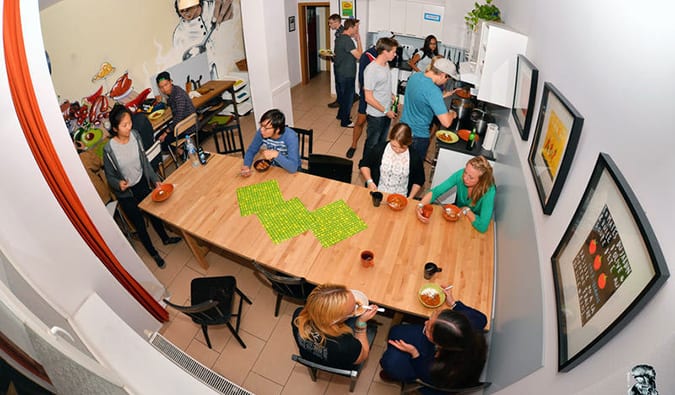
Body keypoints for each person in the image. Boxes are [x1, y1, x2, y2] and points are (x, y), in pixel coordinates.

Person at [103, 104, 182, 268]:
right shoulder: (109, 149)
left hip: (142, 183)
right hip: (127, 193)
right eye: (124, 125)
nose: (129, 127)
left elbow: (144, 160)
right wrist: (118, 183)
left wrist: (154, 178)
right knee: (139, 224)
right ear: (115, 128)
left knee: (153, 213)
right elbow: (109, 176)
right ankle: (153, 253)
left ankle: (165, 238)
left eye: (130, 122)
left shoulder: (135, 136)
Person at [379, 287, 487, 393]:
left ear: (440, 344)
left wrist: (415, 353)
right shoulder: (471, 324)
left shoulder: (445, 370)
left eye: (429, 330)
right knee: (396, 331)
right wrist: (454, 303)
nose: (425, 323)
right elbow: (482, 318)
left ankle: (396, 375)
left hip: (427, 370)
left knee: (390, 361)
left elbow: (425, 374)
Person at [292, 284, 379, 370]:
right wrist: (361, 323)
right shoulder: (345, 345)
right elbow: (363, 356)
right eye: (352, 310)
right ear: (335, 320)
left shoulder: (298, 316)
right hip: (336, 364)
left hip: (309, 357)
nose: (354, 311)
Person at [400, 57, 461, 160]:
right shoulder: (434, 91)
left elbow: (422, 96)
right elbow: (446, 123)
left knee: (402, 163)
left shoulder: (416, 77)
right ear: (442, 74)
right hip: (418, 136)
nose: (446, 81)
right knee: (415, 168)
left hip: (403, 129)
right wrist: (452, 114)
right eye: (447, 78)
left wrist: (441, 96)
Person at [416, 156, 495, 233]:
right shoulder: (461, 174)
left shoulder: (489, 192)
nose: (465, 178)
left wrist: (467, 211)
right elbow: (436, 192)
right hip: (458, 215)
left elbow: (482, 226)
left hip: (473, 223)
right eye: (465, 172)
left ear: (481, 181)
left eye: (471, 177)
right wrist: (420, 205)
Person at [359, 123, 425, 198]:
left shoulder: (414, 157)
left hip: (400, 196)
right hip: (378, 193)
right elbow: (364, 164)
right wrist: (370, 182)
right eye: (393, 146)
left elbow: (419, 180)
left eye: (402, 148)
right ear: (390, 138)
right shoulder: (379, 149)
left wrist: (410, 198)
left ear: (409, 143)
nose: (397, 150)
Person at [173, 0, 234, 79]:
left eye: (188, 9)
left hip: (228, 64)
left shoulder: (212, 7)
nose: (185, 13)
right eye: (182, 11)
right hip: (205, 75)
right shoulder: (179, 33)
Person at [362, 37, 399, 158]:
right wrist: (385, 111)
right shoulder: (372, 70)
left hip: (385, 112)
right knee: (372, 143)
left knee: (381, 143)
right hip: (376, 115)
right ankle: (365, 165)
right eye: (393, 51)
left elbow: (383, 85)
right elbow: (368, 97)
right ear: (384, 52)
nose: (395, 54)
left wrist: (391, 95)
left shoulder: (386, 64)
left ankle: (376, 164)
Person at [241, 109, 301, 175]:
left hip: (291, 170)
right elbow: (251, 150)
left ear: (277, 130)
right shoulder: (261, 133)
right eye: (261, 125)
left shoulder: (291, 137)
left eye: (266, 128)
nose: (261, 130)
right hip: (273, 168)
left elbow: (293, 168)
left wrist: (276, 155)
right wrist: (246, 165)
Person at [345, 45, 377, 159]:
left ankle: (372, 150)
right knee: (360, 121)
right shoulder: (367, 55)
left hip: (379, 97)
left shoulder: (386, 58)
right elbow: (361, 78)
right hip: (367, 95)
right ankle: (353, 145)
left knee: (375, 126)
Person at [155, 71, 197, 152]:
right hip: (185, 123)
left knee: (159, 140)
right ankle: (182, 151)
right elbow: (171, 102)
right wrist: (163, 100)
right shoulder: (175, 90)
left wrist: (166, 132)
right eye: (161, 87)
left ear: (171, 81)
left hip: (187, 127)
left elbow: (178, 119)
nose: (164, 89)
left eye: (166, 85)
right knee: (160, 136)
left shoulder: (178, 95)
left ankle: (182, 152)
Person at [334, 18, 362, 128]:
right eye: (356, 27)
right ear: (350, 28)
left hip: (340, 72)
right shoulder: (347, 40)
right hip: (347, 74)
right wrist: (358, 40)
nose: (357, 30)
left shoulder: (340, 37)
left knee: (343, 96)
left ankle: (341, 115)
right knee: (348, 98)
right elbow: (359, 55)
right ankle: (345, 121)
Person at [327, 13, 343, 109]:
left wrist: (333, 56)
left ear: (337, 22)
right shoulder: (339, 31)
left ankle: (340, 102)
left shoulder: (341, 32)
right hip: (338, 61)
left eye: (331, 23)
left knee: (339, 83)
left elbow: (343, 50)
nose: (329, 25)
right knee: (339, 83)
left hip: (340, 63)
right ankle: (339, 100)